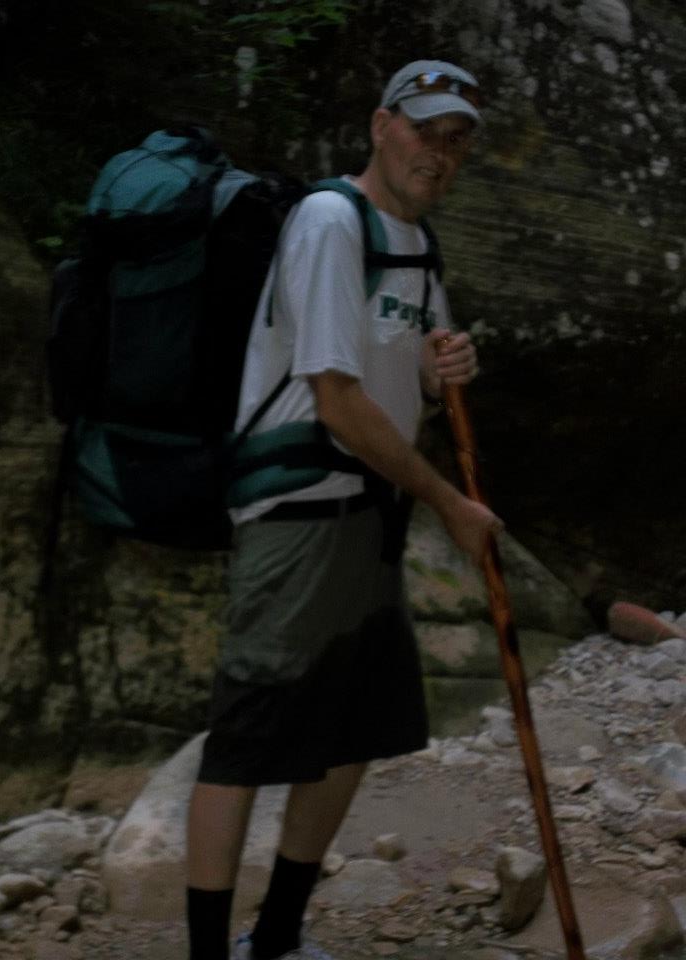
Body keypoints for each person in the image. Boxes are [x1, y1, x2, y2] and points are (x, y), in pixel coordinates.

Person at [186, 58, 503, 960]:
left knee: (354, 731)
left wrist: (444, 375)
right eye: (424, 130)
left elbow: (408, 380)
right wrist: (449, 502)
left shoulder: (417, 244)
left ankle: (277, 939)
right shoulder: (330, 220)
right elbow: (335, 398)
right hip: (300, 513)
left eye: (456, 140)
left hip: (368, 515)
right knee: (247, 738)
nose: (438, 153)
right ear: (380, 125)